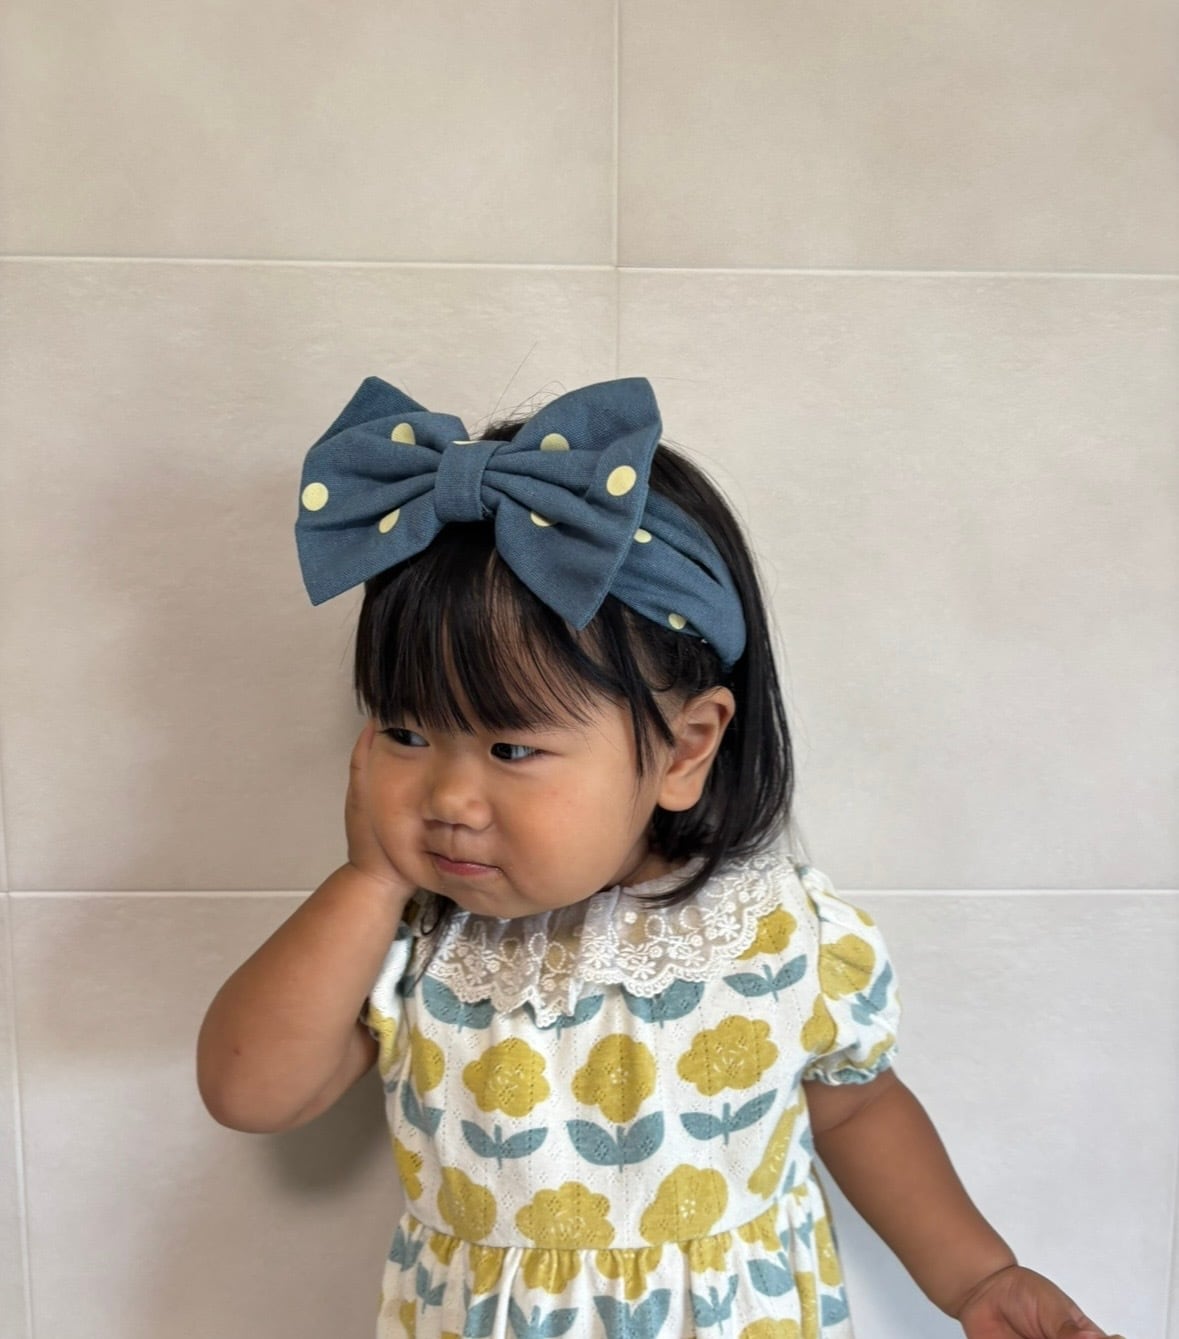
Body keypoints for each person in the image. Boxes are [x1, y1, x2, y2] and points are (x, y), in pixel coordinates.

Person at [198, 376, 1120, 1339]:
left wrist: (977, 1279)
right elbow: (251, 1091)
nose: (448, 798)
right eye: (405, 732)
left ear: (684, 748)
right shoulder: (415, 938)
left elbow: (855, 1111)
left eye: (510, 747)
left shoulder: (776, 933)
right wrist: (370, 879)